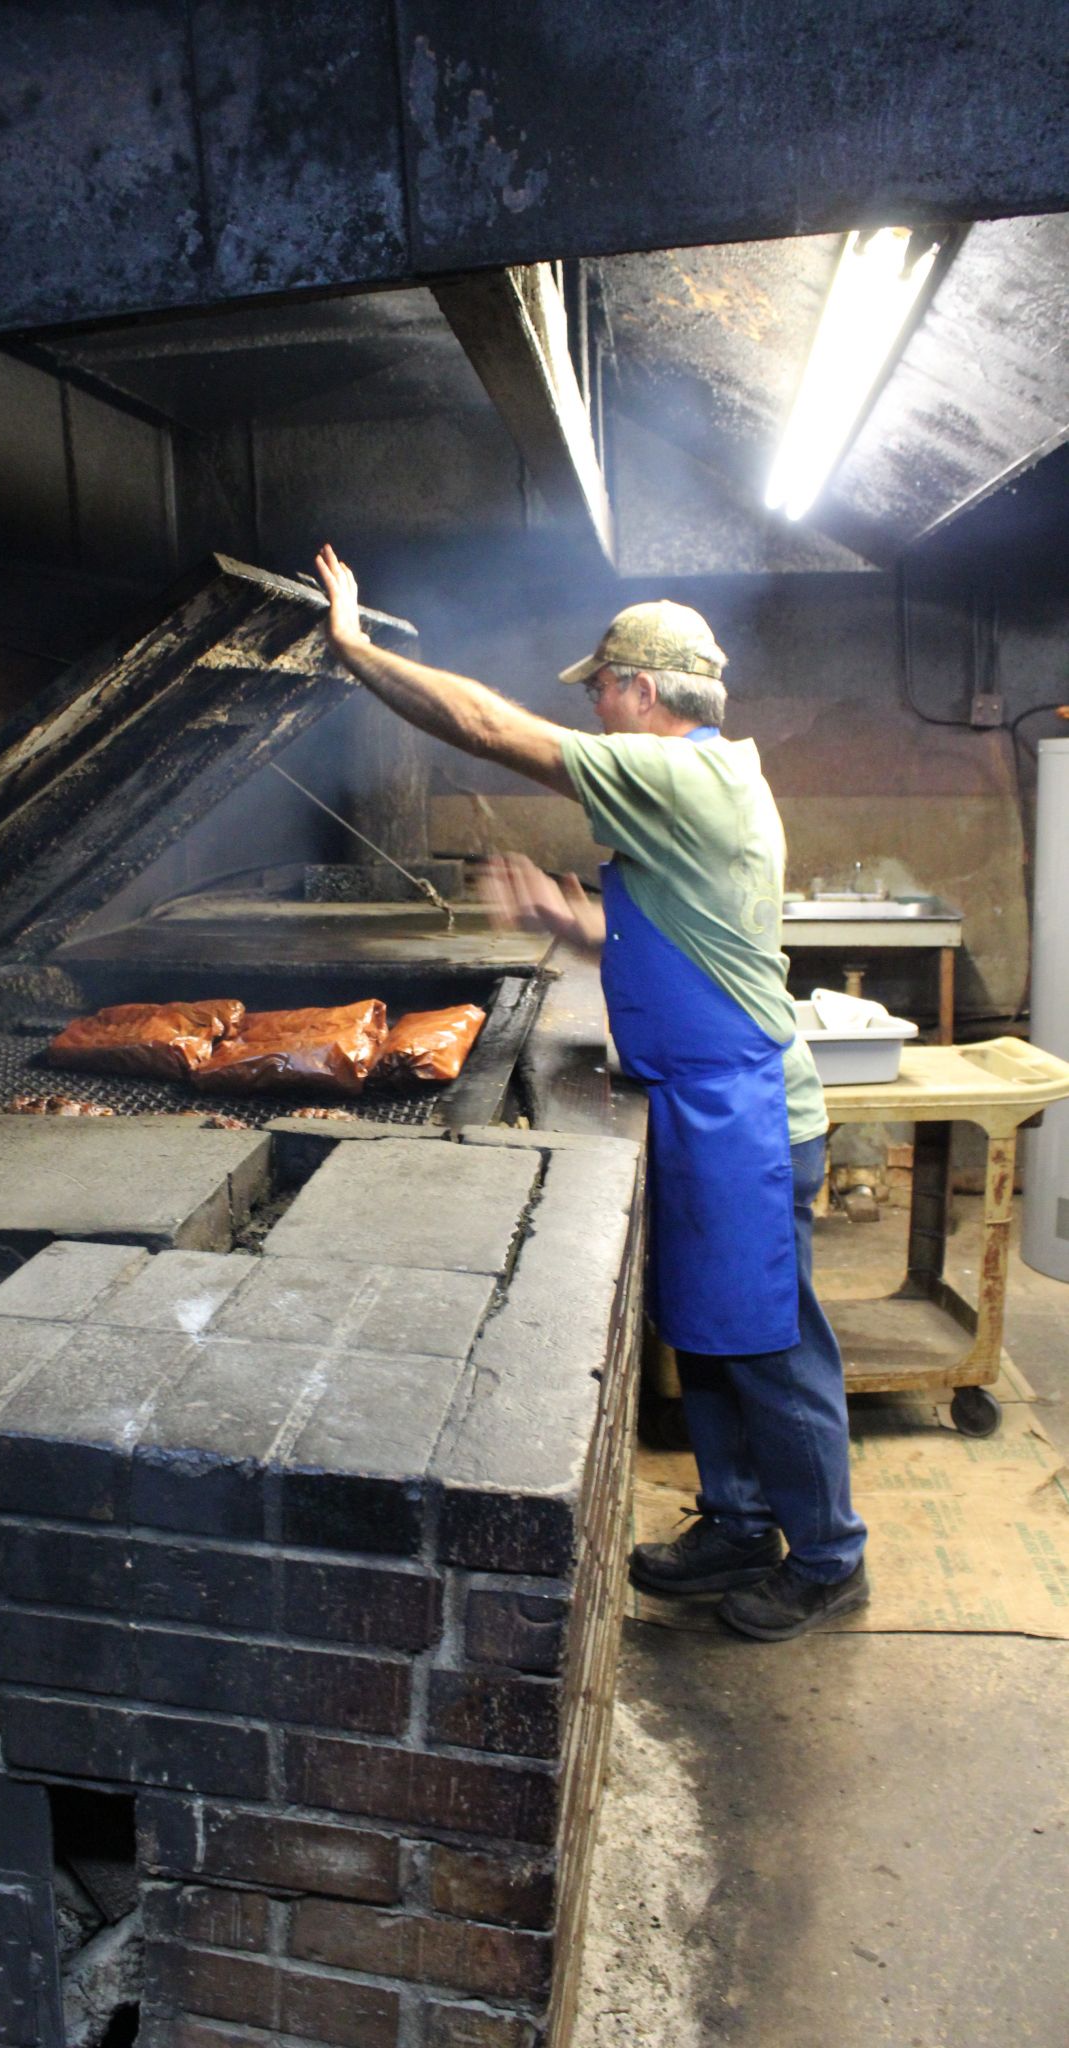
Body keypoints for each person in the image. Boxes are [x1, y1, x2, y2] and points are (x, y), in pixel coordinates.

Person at [313, 542, 868, 1641]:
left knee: (768, 1341)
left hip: (745, 1110)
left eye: (602, 688)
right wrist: (576, 923)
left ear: (643, 692)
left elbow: (485, 726)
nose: (596, 706)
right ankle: (739, 1521)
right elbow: (689, 929)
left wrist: (352, 643)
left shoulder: (680, 769)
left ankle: (828, 1557)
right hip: (698, 1096)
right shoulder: (705, 781)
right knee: (708, 1331)